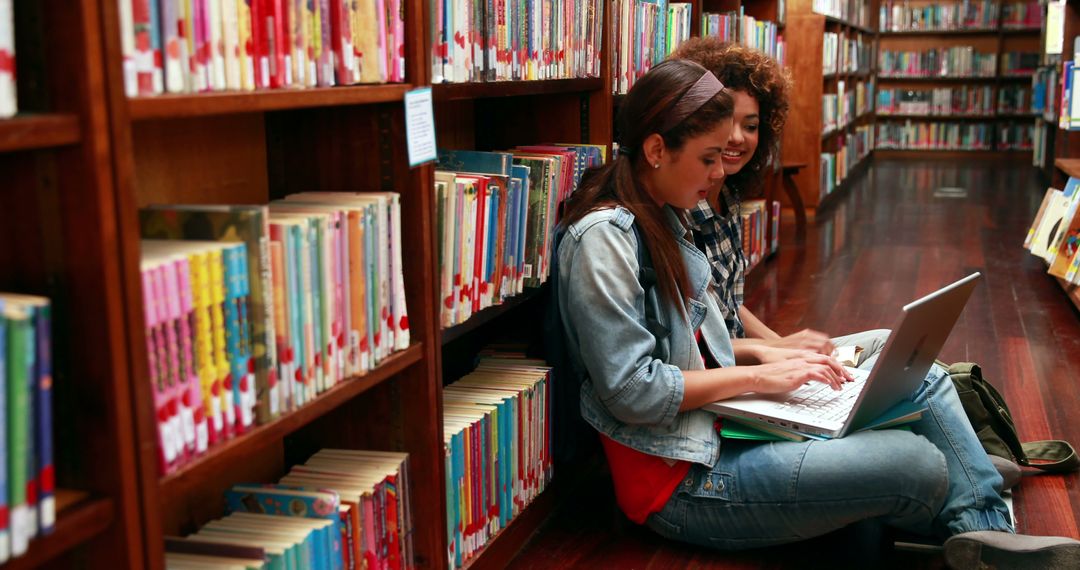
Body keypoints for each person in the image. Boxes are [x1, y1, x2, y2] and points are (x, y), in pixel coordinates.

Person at [554, 58, 1080, 568]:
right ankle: (960, 497)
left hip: (723, 428)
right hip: (685, 481)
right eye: (708, 158)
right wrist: (763, 375)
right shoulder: (605, 240)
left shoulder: (665, 215)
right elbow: (632, 391)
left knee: (920, 375)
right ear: (655, 150)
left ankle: (981, 530)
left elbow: (692, 343)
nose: (719, 173)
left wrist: (774, 371)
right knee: (915, 461)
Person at [671, 38, 890, 369]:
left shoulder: (727, 197)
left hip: (754, 361)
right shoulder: (679, 213)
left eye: (751, 126)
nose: (738, 138)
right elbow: (694, 342)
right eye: (727, 122)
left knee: (885, 347)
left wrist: (781, 344)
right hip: (727, 374)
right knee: (923, 383)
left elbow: (725, 301)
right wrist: (778, 352)